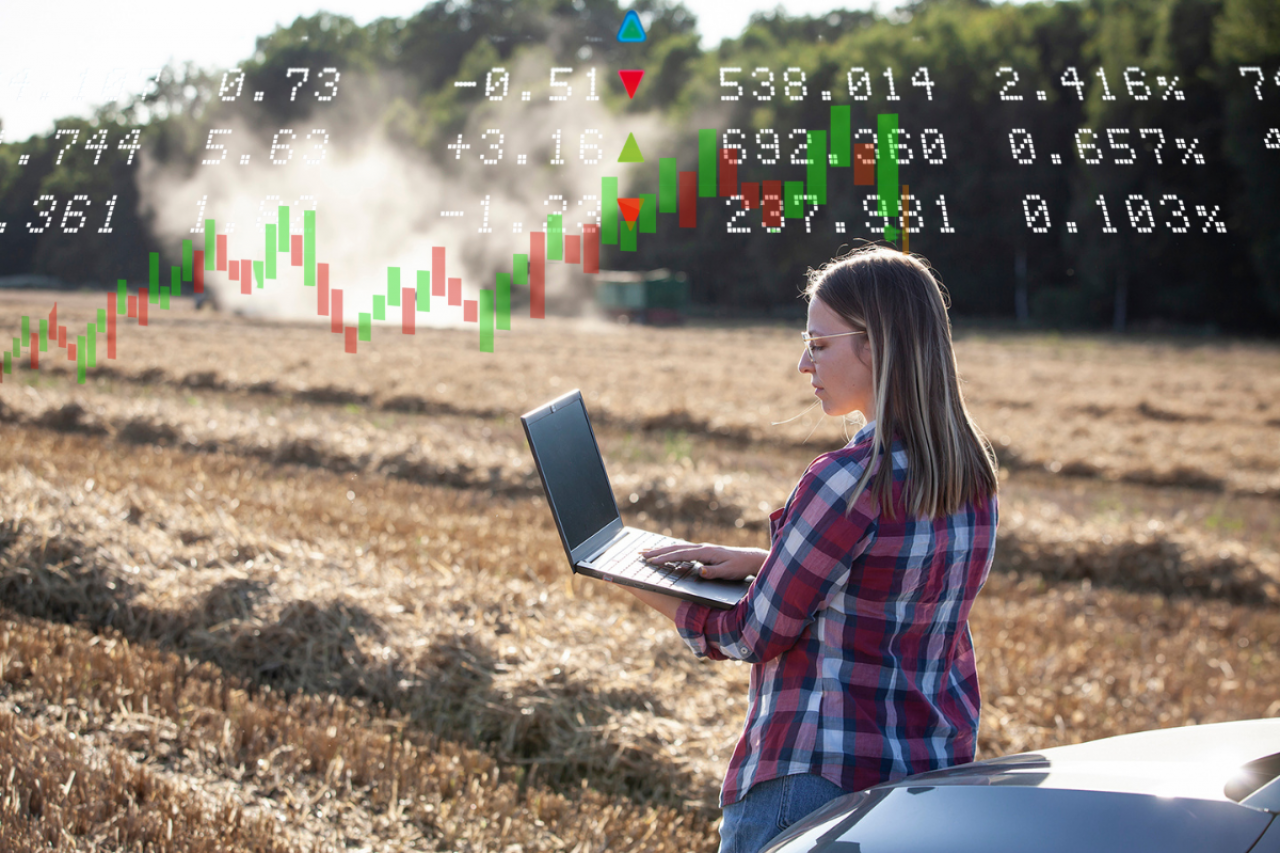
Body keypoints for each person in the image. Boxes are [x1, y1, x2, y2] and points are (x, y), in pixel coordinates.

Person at [624, 245, 1000, 853]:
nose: (804, 363)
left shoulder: (848, 480)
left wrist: (633, 580)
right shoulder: (970, 474)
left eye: (820, 345)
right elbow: (891, 585)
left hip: (815, 780)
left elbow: (749, 635)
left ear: (876, 345)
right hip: (928, 773)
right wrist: (763, 562)